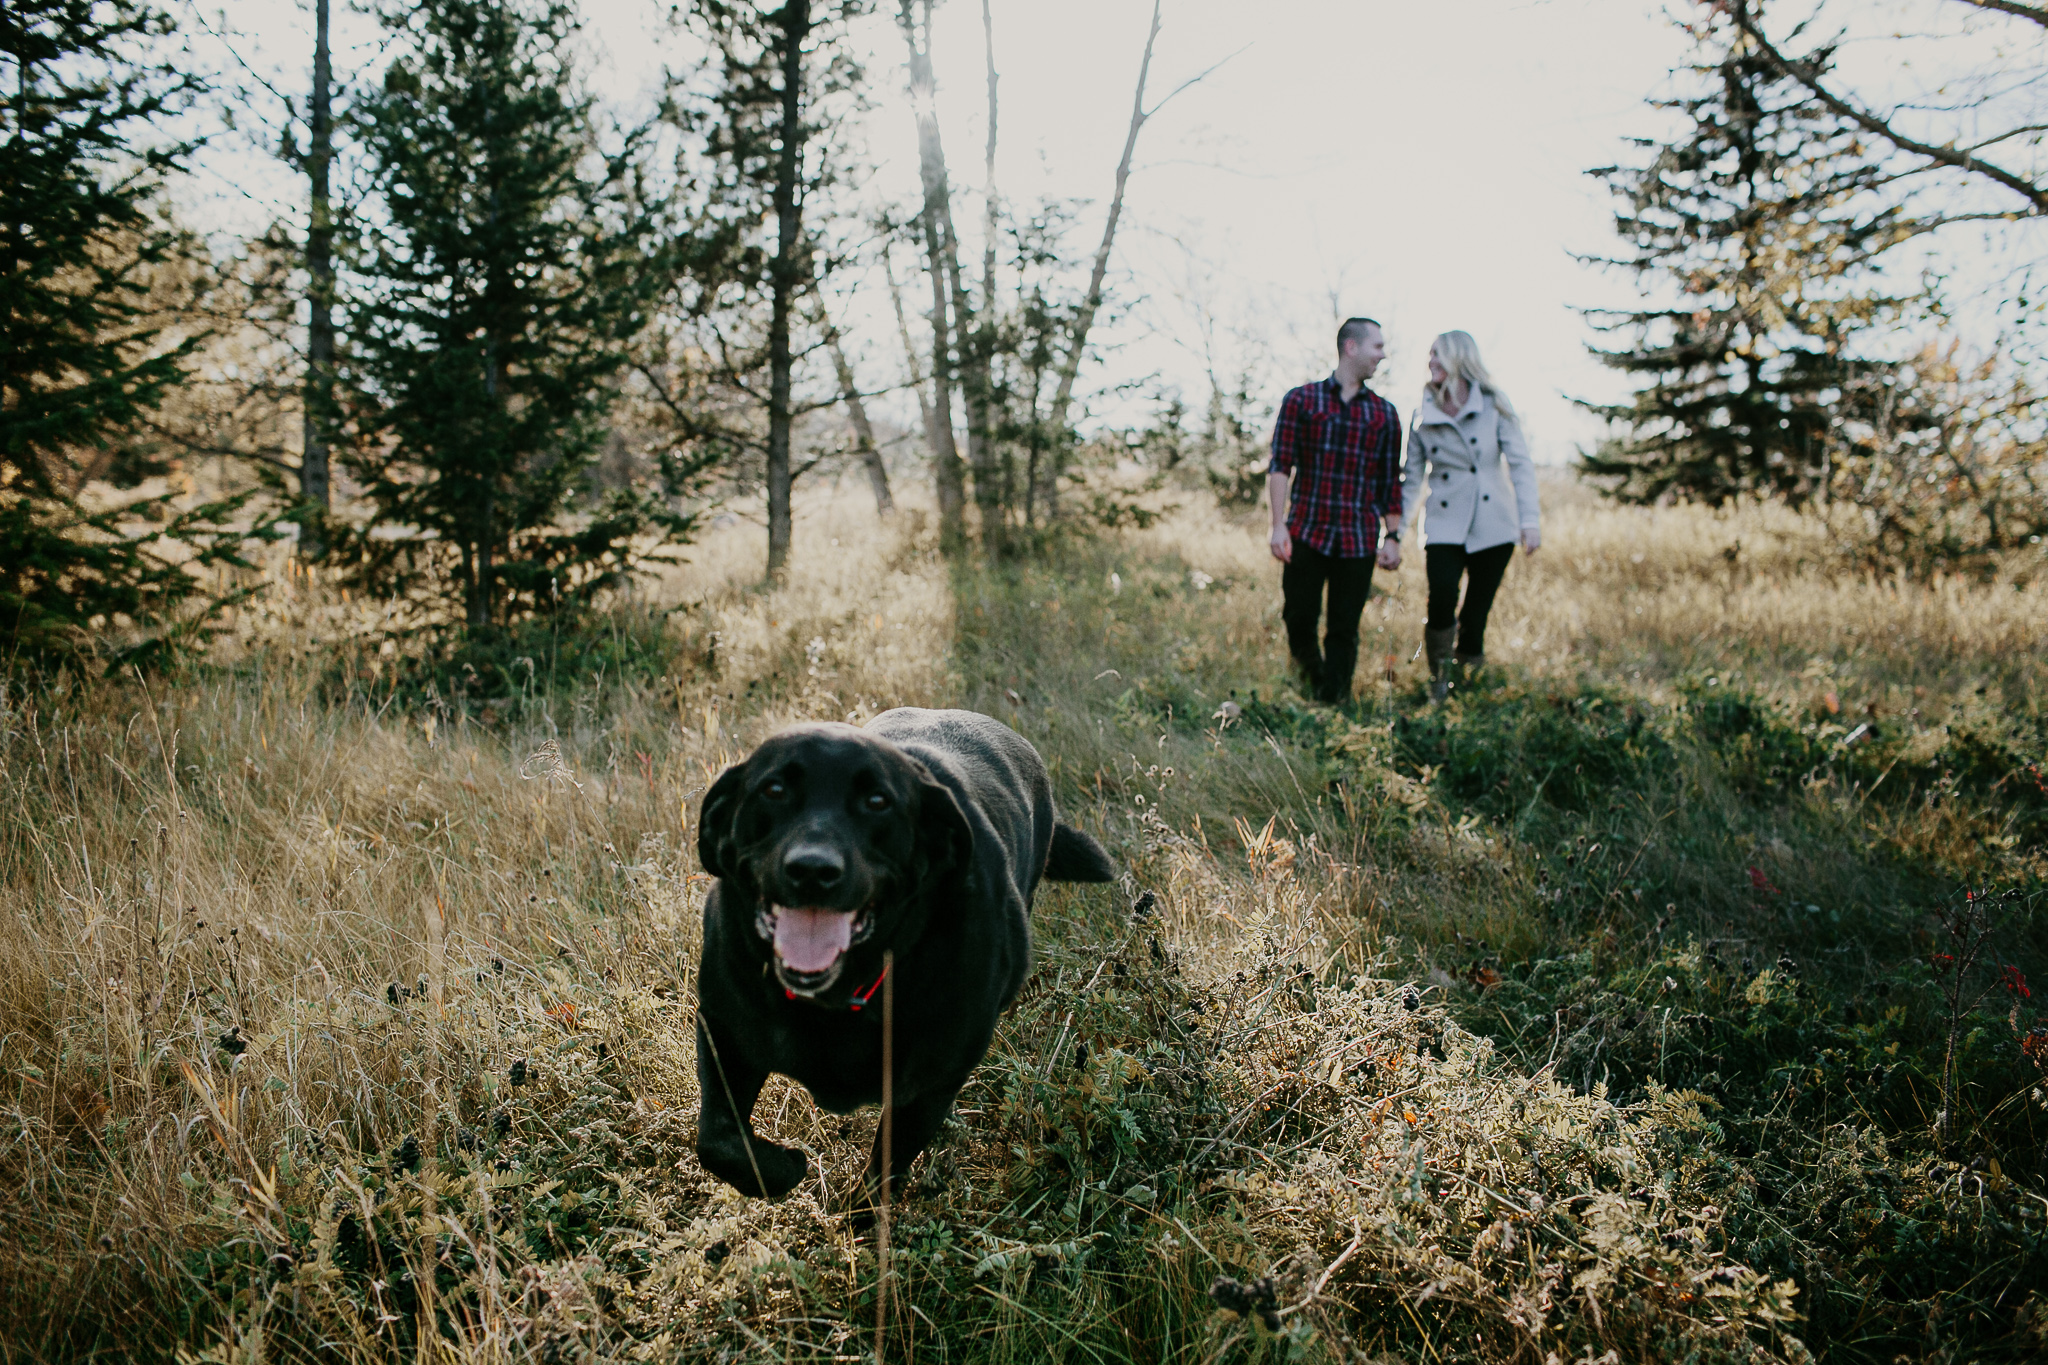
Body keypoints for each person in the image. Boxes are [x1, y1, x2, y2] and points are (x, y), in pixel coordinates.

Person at [1267, 317, 1405, 704]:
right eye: (1377, 346)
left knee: (1344, 629)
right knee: (1299, 618)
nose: (1382, 354)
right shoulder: (1301, 400)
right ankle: (1312, 681)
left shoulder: (1384, 413)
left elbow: (1389, 482)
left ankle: (1334, 701)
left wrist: (1392, 537)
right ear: (1351, 347)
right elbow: (1280, 465)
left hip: (1358, 539)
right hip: (1306, 533)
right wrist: (1277, 526)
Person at [1401, 330, 1541, 702]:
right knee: (1442, 598)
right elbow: (1412, 478)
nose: (1430, 362)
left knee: (1475, 613)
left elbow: (1521, 465)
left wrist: (1530, 521)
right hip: (1444, 522)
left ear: (1458, 359)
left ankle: (1468, 690)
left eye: (1437, 355)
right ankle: (1440, 682)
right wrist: (1395, 533)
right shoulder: (1421, 413)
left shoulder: (1494, 403)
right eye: (1429, 356)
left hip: (1494, 521)